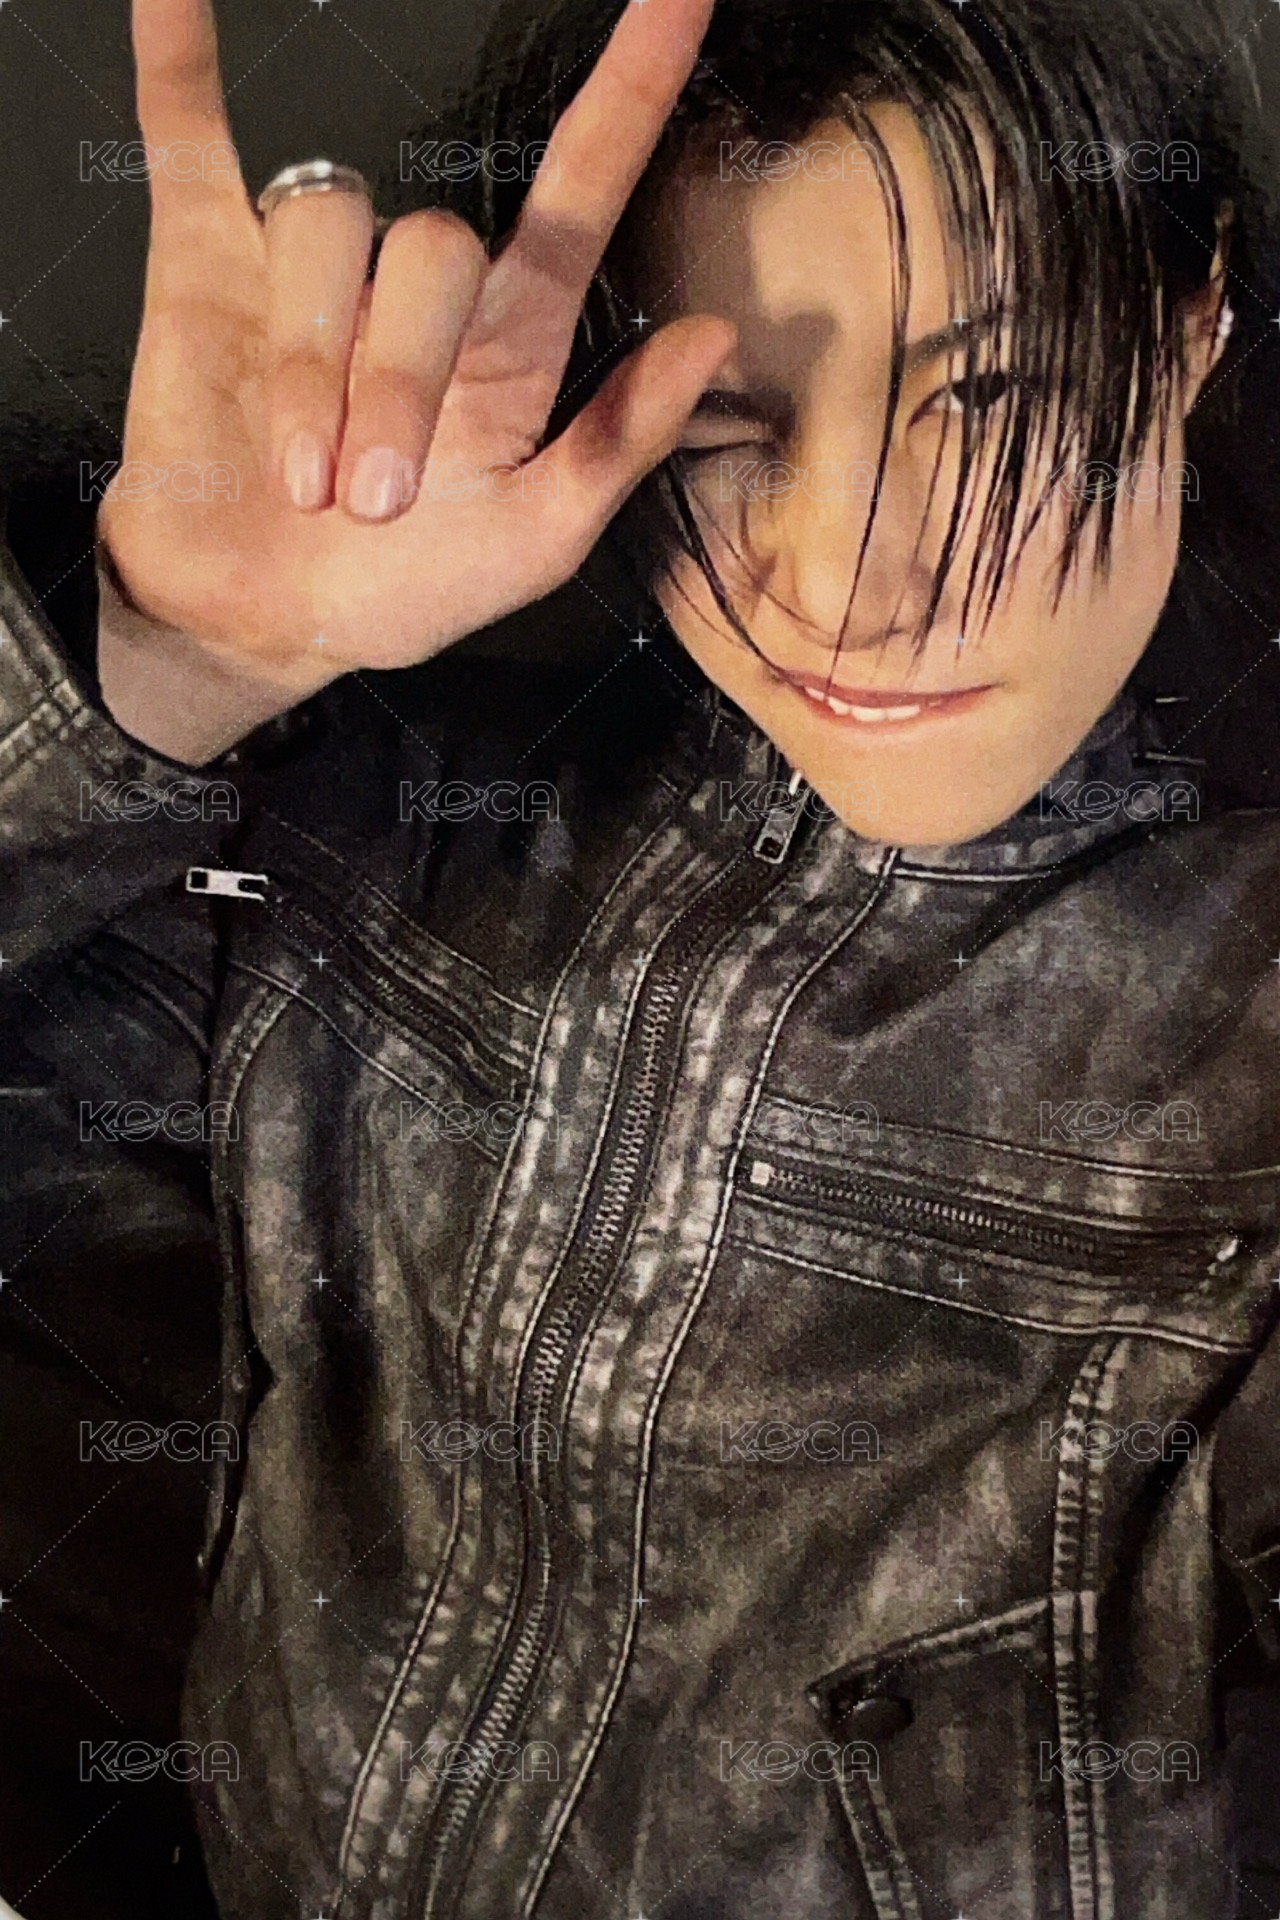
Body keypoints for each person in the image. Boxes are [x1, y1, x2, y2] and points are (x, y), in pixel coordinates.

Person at [2, 0, 1279, 1912]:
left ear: (1192, 324)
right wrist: (182, 657)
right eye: (724, 427)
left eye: (993, 399)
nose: (845, 579)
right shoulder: (384, 830)